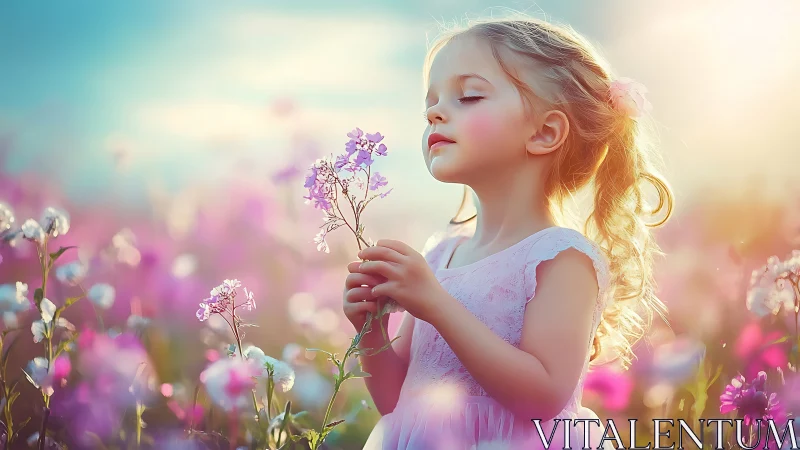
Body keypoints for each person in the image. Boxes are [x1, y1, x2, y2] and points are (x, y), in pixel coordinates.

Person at [342, 14, 673, 450]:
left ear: (545, 132)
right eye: (433, 102)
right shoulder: (441, 257)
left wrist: (436, 304)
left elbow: (542, 398)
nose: (434, 112)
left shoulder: (562, 258)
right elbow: (395, 401)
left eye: (470, 96)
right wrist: (370, 330)